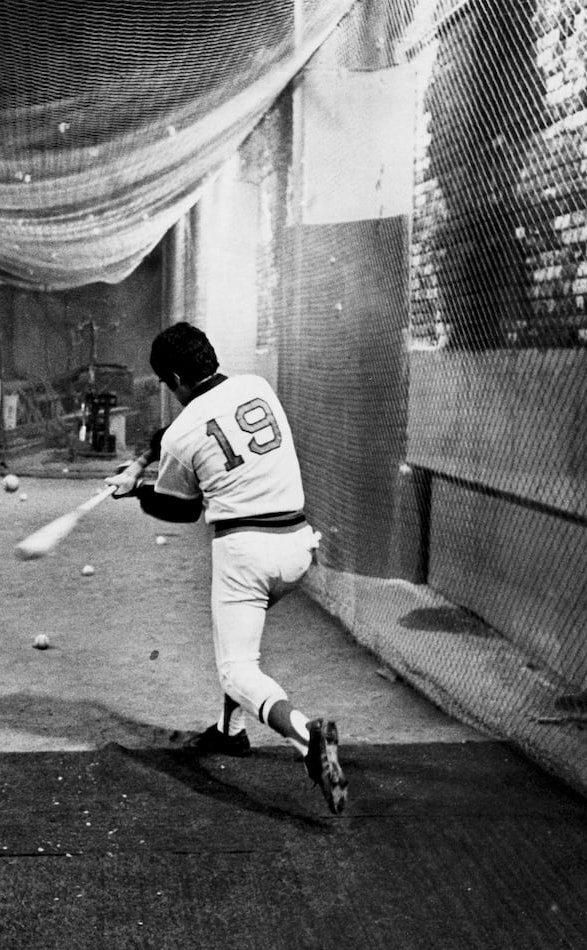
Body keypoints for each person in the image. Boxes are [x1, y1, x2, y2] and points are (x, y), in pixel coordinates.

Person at [106, 322, 347, 814]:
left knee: (237, 668)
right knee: (236, 639)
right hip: (298, 546)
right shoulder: (255, 386)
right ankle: (231, 733)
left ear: (175, 377)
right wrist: (148, 456)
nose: (168, 391)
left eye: (167, 382)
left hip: (246, 556)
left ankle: (305, 736)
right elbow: (193, 429)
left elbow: (181, 509)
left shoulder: (182, 433)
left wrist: (137, 490)